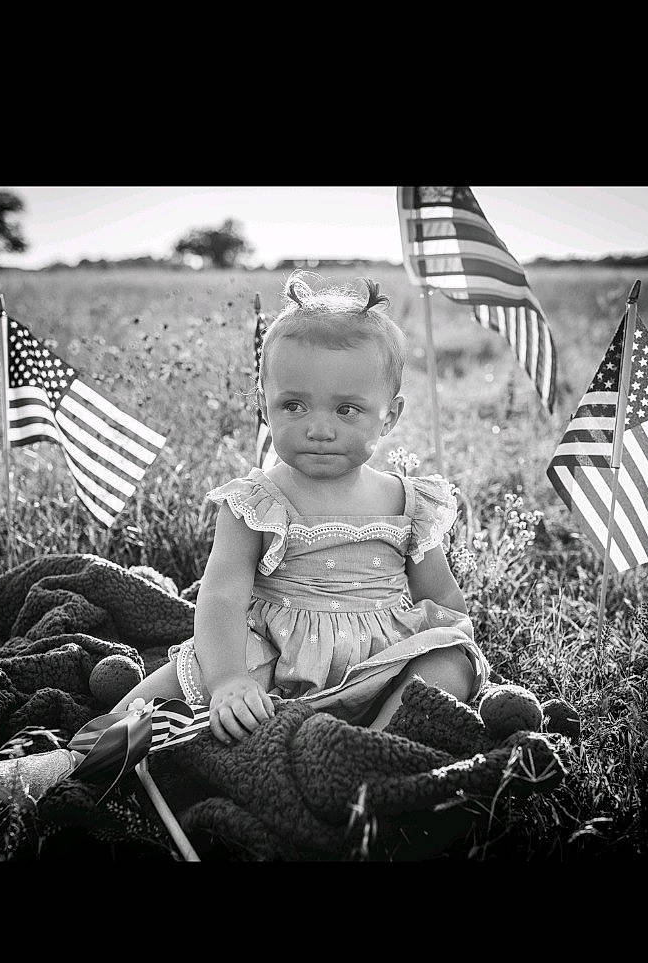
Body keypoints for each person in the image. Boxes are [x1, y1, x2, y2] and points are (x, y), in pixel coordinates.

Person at [107, 275, 489, 743]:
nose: (319, 429)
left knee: (449, 662)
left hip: (382, 665)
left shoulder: (408, 502)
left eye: (346, 409)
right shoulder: (256, 502)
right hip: (273, 660)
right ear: (263, 407)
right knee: (173, 685)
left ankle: (374, 744)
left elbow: (442, 599)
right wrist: (228, 677)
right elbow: (222, 595)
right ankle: (80, 754)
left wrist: (456, 648)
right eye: (294, 405)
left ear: (389, 415)